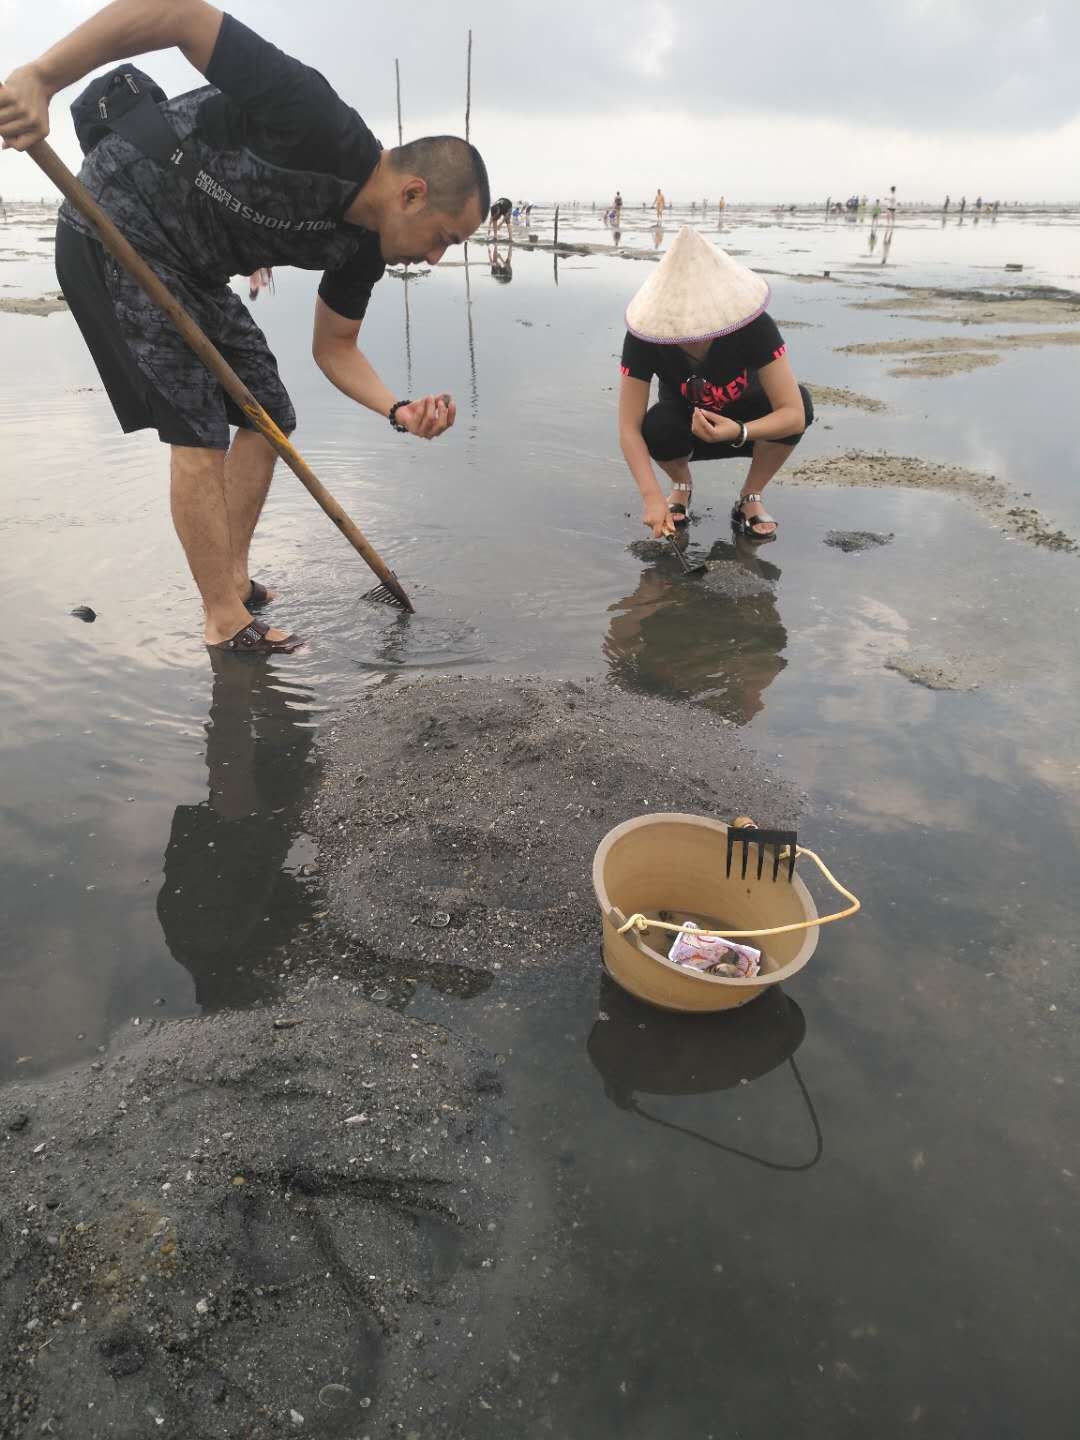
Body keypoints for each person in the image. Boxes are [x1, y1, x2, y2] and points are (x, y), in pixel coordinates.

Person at [0, 1, 489, 656]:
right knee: (199, 428)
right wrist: (42, 76)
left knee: (267, 413)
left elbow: (334, 348)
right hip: (115, 226)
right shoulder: (315, 119)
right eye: (443, 239)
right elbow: (178, 14)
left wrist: (398, 410)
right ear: (412, 194)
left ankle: (231, 579)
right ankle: (224, 621)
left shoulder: (363, 247)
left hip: (194, 270)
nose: (435, 259)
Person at [617, 227, 812, 543]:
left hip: (749, 427)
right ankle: (680, 486)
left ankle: (751, 496)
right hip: (686, 431)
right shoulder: (645, 337)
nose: (694, 328)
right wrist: (651, 495)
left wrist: (738, 430)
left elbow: (793, 414)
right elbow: (628, 427)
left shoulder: (756, 328)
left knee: (802, 402)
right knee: (655, 425)